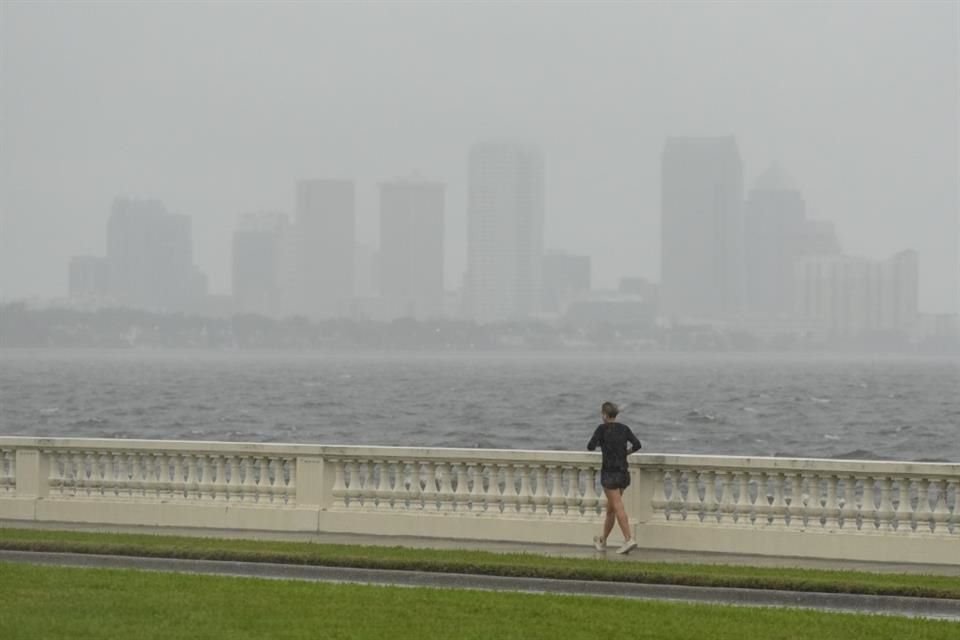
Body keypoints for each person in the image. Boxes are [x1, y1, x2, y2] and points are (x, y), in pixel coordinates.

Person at [586, 401, 641, 554]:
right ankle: (603, 540)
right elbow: (637, 445)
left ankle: (628, 538)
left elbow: (590, 446)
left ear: (604, 415)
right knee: (610, 509)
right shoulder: (624, 429)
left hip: (609, 473)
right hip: (623, 473)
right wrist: (625, 452)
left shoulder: (602, 429)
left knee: (617, 506)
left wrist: (604, 444)